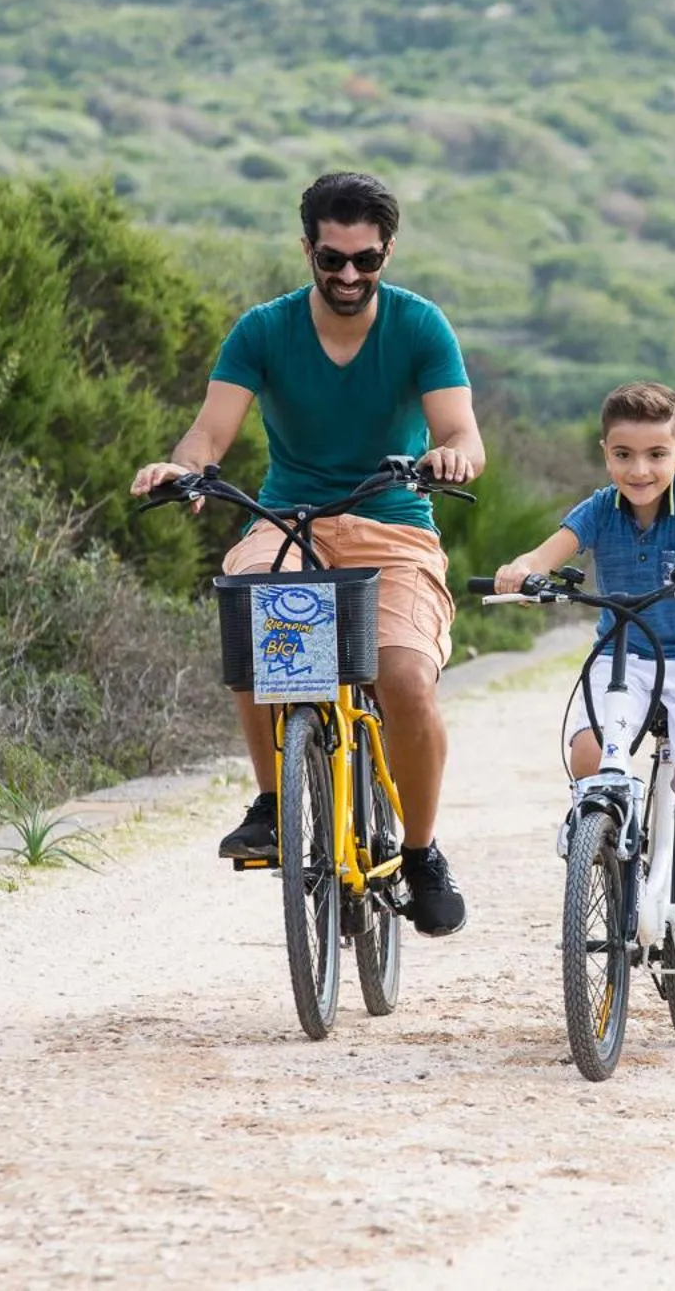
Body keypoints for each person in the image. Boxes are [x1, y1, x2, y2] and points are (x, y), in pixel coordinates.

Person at [130, 171, 481, 938]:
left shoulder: (421, 327)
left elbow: (463, 435)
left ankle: (420, 852)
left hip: (392, 524)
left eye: (366, 260)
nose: (349, 276)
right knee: (251, 614)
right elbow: (209, 435)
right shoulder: (264, 330)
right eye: (332, 259)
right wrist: (181, 468)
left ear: (388, 252)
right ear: (307, 251)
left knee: (405, 682)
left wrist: (451, 458)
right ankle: (273, 801)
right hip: (289, 519)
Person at [494, 381, 675, 989]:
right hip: (624, 651)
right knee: (588, 751)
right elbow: (546, 554)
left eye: (655, 454)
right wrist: (523, 571)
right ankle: (607, 837)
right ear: (605, 454)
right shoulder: (597, 511)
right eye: (623, 454)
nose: (639, 468)